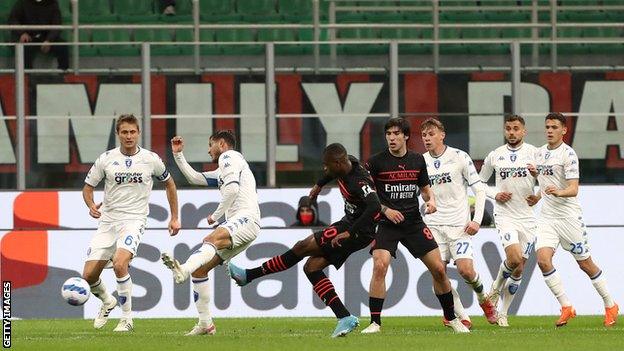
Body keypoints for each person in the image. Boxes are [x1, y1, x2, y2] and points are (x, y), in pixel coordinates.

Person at [228, 143, 381, 337]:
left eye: (327, 165)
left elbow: (374, 206)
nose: (325, 168)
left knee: (302, 247)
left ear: (338, 163)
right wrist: (319, 184)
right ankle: (345, 317)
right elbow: (330, 174)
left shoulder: (358, 182)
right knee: (311, 268)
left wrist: (350, 232)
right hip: (349, 224)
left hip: (357, 231)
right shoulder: (347, 162)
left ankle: (249, 275)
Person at [361, 117, 469, 334]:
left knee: (439, 269)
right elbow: (367, 196)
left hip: (413, 223)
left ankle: (451, 318)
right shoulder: (375, 162)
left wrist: (431, 202)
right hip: (387, 223)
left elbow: (426, 190)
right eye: (388, 134)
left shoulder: (417, 160)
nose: (391, 138)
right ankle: (375, 323)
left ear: (406, 136)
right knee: (380, 265)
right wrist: (386, 210)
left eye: (396, 134)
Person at [82, 114, 181, 332]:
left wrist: (174, 217)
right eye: (124, 132)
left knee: (119, 263)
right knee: (88, 275)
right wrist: (90, 205)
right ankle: (108, 301)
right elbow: (88, 187)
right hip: (108, 221)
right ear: (118, 134)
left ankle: (126, 319)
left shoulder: (151, 159)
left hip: (134, 220)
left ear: (138, 133)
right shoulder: (106, 158)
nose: (129, 136)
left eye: (132, 132)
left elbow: (170, 184)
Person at [161, 131, 261, 336]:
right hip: (245, 225)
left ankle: (183, 270)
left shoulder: (229, 157)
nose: (208, 150)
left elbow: (232, 191)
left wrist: (216, 216)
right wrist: (178, 155)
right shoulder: (226, 169)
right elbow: (195, 178)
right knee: (201, 270)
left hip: (246, 218)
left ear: (222, 144)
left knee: (210, 239)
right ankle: (206, 324)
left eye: (210, 145)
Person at [527, 112, 618, 327]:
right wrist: (537, 194)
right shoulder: (539, 154)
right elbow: (544, 182)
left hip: (568, 218)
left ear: (564, 130)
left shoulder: (568, 155)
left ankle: (610, 304)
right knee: (542, 260)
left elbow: (573, 189)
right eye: (547, 126)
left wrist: (559, 192)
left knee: (585, 264)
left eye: (554, 127)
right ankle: (566, 306)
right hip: (547, 217)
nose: (549, 130)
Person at [420, 118, 497, 326]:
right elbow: (420, 192)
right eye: (424, 135)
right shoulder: (421, 161)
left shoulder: (459, 157)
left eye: (431, 134)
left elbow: (479, 189)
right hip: (434, 226)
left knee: (466, 271)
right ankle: (461, 316)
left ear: (442, 135)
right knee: (438, 273)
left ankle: (484, 299)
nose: (427, 138)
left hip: (459, 225)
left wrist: (477, 221)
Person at [479, 114, 539, 327]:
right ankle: (495, 288)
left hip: (528, 218)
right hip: (505, 215)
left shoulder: (535, 153)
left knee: (519, 269)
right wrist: (494, 194)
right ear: (505, 131)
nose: (511, 132)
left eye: (516, 128)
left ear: (524, 131)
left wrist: (538, 190)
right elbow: (479, 183)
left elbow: (550, 181)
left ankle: (503, 312)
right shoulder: (495, 155)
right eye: (508, 128)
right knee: (513, 259)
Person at [8, 0, 69, 70]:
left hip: (46, 36)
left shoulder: (53, 3)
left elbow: (57, 24)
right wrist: (22, 33)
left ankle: (64, 75)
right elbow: (13, 19)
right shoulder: (23, 2)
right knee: (24, 49)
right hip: (28, 36)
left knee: (62, 47)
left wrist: (49, 40)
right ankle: (26, 75)